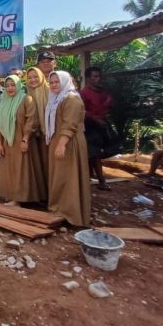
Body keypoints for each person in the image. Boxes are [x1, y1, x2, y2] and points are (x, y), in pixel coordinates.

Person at [45, 71, 91, 227]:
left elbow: (70, 124)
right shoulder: (57, 99)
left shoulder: (71, 99)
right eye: (51, 82)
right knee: (60, 177)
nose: (53, 85)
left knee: (69, 178)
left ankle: (70, 214)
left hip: (69, 143)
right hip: (59, 141)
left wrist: (61, 143)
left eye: (57, 82)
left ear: (65, 81)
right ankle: (60, 210)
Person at [0, 75, 46, 206]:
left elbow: (32, 120)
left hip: (22, 140)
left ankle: (20, 199)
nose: (10, 88)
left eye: (13, 85)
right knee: (10, 169)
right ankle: (11, 195)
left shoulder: (26, 99)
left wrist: (25, 139)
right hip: (8, 141)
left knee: (22, 169)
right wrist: (0, 143)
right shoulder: (4, 102)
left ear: (19, 85)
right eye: (7, 85)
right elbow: (0, 125)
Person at [80, 67, 113, 191]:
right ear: (88, 78)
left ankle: (90, 176)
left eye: (98, 76)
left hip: (102, 124)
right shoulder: (84, 93)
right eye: (94, 77)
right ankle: (101, 180)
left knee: (95, 153)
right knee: (94, 154)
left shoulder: (103, 92)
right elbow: (82, 110)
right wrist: (95, 118)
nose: (97, 79)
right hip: (90, 125)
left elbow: (109, 106)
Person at [25, 66, 50, 188]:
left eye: (35, 77)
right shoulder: (28, 94)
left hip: (50, 136)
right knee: (41, 165)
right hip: (36, 136)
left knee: (50, 166)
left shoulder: (50, 91)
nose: (32, 80)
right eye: (29, 78)